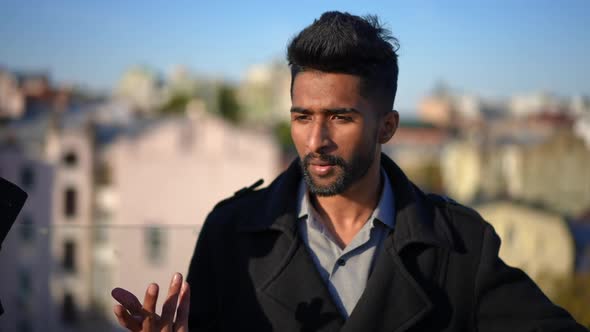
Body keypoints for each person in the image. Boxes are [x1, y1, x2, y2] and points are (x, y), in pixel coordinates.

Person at [112, 11, 588, 331]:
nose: (316, 140)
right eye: (302, 117)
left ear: (387, 126)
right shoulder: (230, 232)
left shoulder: (462, 246)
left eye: (340, 117)